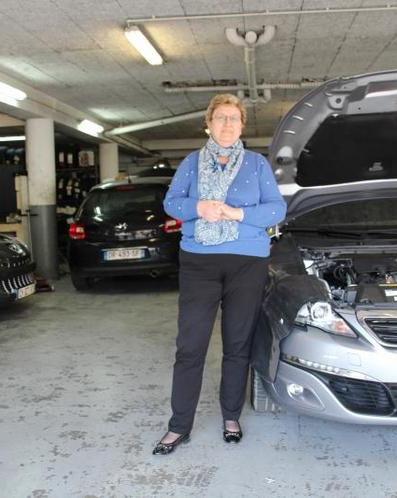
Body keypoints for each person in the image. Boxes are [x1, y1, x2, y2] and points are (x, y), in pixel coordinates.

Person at [153, 94, 286, 455]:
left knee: (237, 344)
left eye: (234, 119)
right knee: (190, 345)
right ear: (208, 124)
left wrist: (238, 214)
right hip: (199, 261)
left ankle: (231, 415)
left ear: (242, 125)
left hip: (248, 261)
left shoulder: (257, 164)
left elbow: (277, 208)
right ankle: (179, 425)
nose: (227, 125)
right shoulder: (192, 163)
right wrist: (198, 207)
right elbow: (171, 203)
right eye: (221, 118)